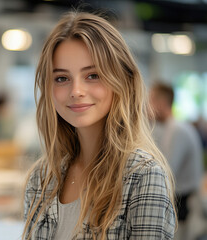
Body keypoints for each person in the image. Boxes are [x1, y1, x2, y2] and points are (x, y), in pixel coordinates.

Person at [23, 12, 176, 240]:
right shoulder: (42, 178)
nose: (76, 91)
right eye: (62, 78)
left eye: (93, 75)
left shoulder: (143, 176)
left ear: (121, 81)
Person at [149, 82, 203, 226]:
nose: (147, 106)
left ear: (161, 103)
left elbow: (167, 171)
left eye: (150, 100)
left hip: (183, 203)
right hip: (178, 199)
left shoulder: (177, 130)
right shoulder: (166, 128)